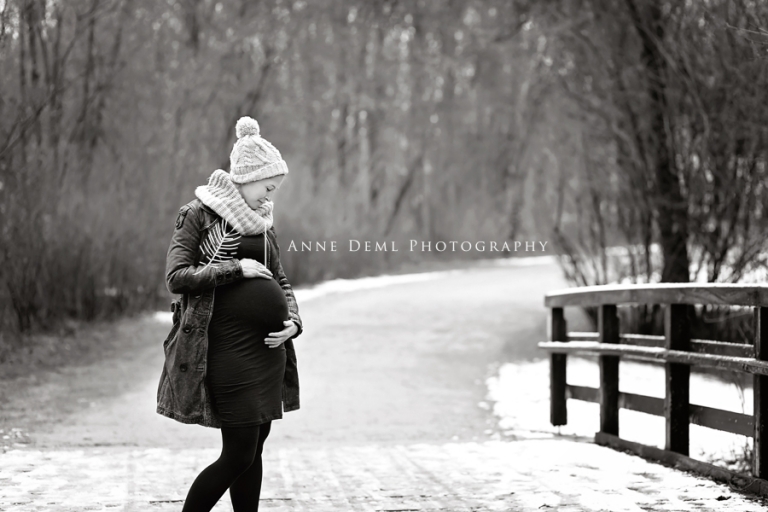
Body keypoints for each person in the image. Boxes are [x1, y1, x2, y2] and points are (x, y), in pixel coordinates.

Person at [156, 116, 303, 512]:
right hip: (222, 350)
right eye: (268, 186)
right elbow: (177, 276)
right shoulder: (197, 214)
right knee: (238, 453)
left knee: (254, 449)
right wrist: (235, 269)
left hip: (267, 352)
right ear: (246, 178)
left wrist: (293, 321)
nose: (271, 194)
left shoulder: (263, 221)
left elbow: (282, 280)